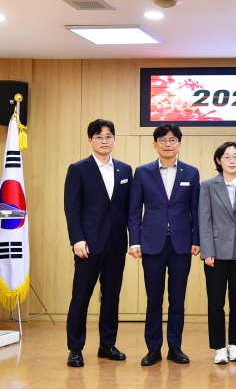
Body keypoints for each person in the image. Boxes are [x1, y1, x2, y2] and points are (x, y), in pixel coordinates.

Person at [128, 123, 201, 366]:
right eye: (162, 140)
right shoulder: (143, 172)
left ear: (179, 144)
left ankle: (175, 348)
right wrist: (134, 241)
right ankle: (153, 349)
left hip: (182, 244)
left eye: (172, 140)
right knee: (154, 300)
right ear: (155, 144)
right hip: (151, 244)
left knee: (177, 299)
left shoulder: (191, 173)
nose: (167, 144)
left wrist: (197, 240)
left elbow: (196, 210)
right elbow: (134, 210)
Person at [63, 119, 132, 367]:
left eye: (109, 136)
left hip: (116, 243)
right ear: (90, 140)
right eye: (99, 136)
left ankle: (107, 344)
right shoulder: (78, 169)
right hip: (88, 244)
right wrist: (77, 239)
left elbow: (129, 209)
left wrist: (134, 239)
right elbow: (72, 208)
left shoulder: (125, 170)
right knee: (81, 296)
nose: (104, 140)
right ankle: (75, 348)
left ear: (114, 139)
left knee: (111, 296)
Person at [199, 142, 236, 364]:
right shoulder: (208, 185)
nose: (232, 161)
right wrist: (207, 250)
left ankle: (234, 344)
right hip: (216, 252)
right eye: (227, 156)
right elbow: (204, 219)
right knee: (216, 302)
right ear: (218, 160)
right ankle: (219, 347)